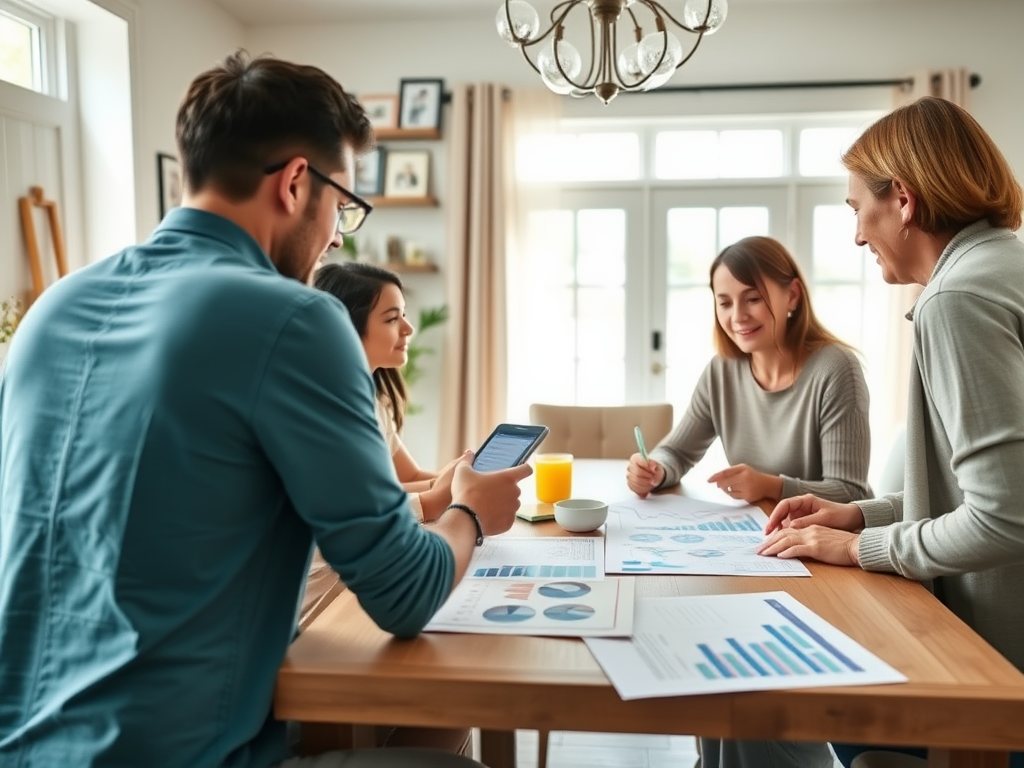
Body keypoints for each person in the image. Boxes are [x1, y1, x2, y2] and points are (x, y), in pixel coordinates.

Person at [0, 50, 531, 768]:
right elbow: (404, 594)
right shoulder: (296, 319)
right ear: (294, 183)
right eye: (342, 208)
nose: (337, 236)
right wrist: (470, 511)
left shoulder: (51, 309)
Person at [759, 96, 1024, 768]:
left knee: (821, 699)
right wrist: (857, 514)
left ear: (902, 201)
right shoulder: (1005, 267)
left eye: (856, 210)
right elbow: (991, 492)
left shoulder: (956, 298)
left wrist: (858, 548)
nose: (855, 235)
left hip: (998, 671)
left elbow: (1003, 519)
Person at [626, 234, 872, 768]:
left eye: (752, 296)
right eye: (724, 301)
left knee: (743, 693)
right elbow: (678, 447)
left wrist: (771, 484)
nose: (738, 314)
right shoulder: (723, 372)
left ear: (792, 296)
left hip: (816, 565)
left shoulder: (835, 371)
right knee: (710, 679)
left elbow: (853, 493)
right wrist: (655, 468)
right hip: (747, 560)